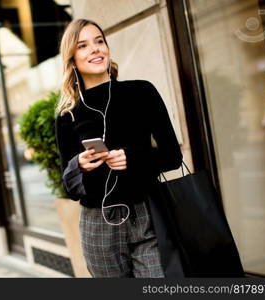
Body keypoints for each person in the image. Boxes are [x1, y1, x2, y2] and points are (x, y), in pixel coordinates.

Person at [55, 19, 182, 278]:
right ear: (72, 58)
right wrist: (79, 165)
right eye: (83, 46)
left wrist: (132, 158)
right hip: (99, 222)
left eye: (99, 41)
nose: (95, 49)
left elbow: (172, 155)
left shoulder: (141, 92)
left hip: (148, 214)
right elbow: (69, 187)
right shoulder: (67, 115)